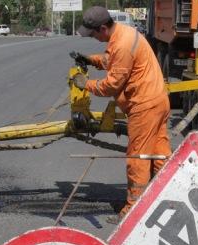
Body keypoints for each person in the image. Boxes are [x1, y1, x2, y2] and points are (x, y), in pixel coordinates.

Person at [71, 6, 171, 224]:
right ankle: (165, 196)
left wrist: (85, 84)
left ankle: (134, 210)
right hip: (158, 100)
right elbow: (112, 60)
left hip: (144, 106)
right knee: (159, 153)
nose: (93, 38)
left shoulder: (123, 44)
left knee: (138, 157)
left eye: (93, 34)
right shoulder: (123, 34)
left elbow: (111, 85)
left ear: (103, 28)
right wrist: (91, 60)